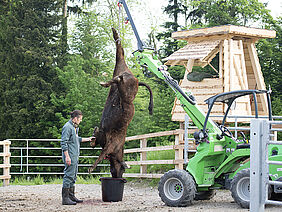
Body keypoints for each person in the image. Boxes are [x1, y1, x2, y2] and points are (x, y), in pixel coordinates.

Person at [61, 110, 94, 205]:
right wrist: (67, 156)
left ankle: (71, 196)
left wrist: (88, 139)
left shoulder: (74, 127)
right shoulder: (67, 127)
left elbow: (76, 139)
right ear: (75, 118)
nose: (81, 121)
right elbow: (64, 142)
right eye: (80, 119)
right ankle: (65, 198)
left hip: (74, 155)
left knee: (73, 176)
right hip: (70, 155)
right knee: (69, 175)